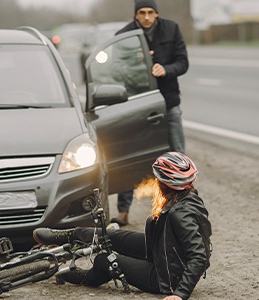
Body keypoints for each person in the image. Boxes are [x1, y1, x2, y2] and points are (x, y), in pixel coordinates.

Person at [34, 152, 212, 300]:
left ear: (166, 184)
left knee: (104, 260)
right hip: (162, 252)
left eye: (157, 179)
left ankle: (84, 276)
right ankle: (65, 236)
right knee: (111, 235)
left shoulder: (180, 214)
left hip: (164, 277)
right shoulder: (185, 197)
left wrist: (180, 294)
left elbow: (199, 255)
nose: (155, 182)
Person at [111, 0, 190, 226]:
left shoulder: (171, 29)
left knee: (177, 154)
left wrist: (166, 69)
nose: (146, 17)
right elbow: (116, 70)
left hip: (168, 102)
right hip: (136, 105)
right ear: (136, 15)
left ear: (157, 13)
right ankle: (123, 211)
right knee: (129, 155)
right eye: (142, 13)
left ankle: (182, 205)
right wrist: (139, 65)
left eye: (150, 12)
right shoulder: (124, 36)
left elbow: (183, 62)